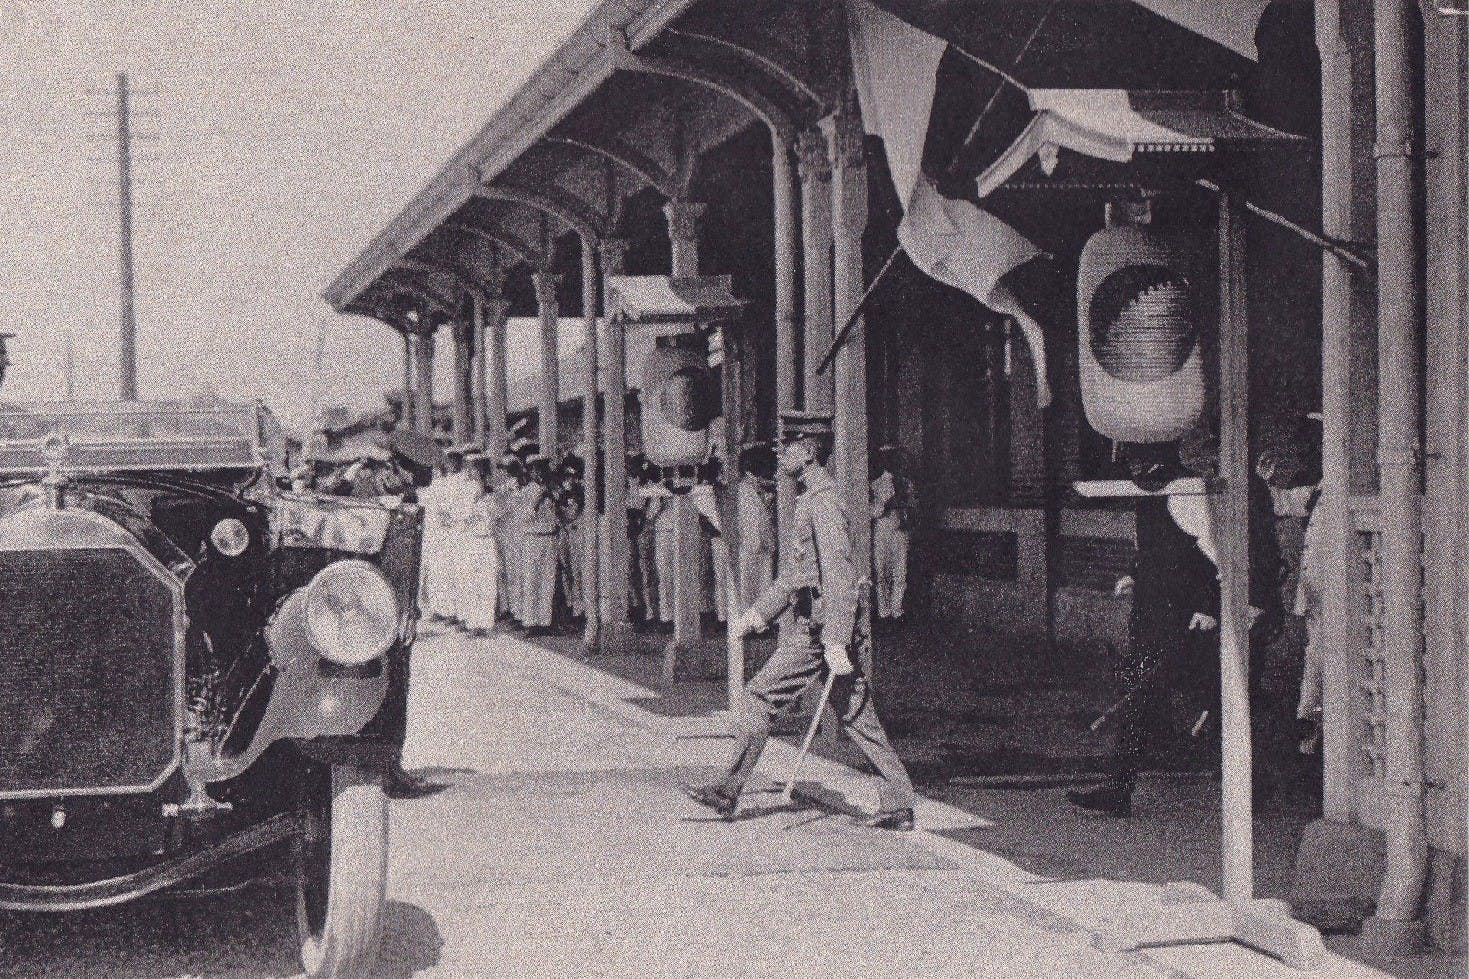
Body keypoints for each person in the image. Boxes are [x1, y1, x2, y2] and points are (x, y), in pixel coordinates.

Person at [684, 411, 916, 830]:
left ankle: (727, 788)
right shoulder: (808, 499)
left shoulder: (823, 501)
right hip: (817, 624)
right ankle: (898, 800)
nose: (780, 452)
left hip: (820, 630)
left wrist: (836, 640)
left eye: (788, 445)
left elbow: (840, 574)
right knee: (856, 714)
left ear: (808, 452)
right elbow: (795, 574)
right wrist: (757, 614)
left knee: (758, 698)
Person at [1069, 456, 1221, 818]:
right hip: (1152, 616)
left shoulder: (1187, 491)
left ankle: (1255, 777)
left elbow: (1214, 554)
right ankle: (1119, 789)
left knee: (1216, 695)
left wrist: (1209, 606)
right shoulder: (1146, 496)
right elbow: (1146, 552)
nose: (1135, 472)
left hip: (1186, 620)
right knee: (1140, 697)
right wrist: (1132, 575)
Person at [870, 444, 916, 621]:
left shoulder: (906, 484)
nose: (890, 461)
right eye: (886, 458)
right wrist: (887, 504)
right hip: (882, 530)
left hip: (900, 531)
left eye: (893, 457)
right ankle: (884, 611)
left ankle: (897, 610)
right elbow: (872, 512)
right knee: (881, 571)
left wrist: (906, 508)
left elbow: (913, 508)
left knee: (900, 571)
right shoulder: (875, 484)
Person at [458, 452, 501, 635]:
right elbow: (461, 515)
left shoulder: (491, 493)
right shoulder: (466, 490)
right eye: (469, 467)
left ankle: (484, 624)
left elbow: (497, 516)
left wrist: (482, 506)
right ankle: (473, 622)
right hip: (471, 539)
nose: (471, 471)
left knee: (487, 583)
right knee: (471, 581)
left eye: (475, 467)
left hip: (486, 540)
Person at [518, 453, 560, 633]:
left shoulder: (552, 490)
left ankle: (545, 622)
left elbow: (558, 513)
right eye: (536, 469)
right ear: (531, 472)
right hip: (532, 538)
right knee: (531, 580)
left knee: (548, 580)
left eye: (542, 468)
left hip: (549, 537)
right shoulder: (526, 492)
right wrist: (538, 499)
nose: (540, 473)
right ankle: (530, 622)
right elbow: (523, 518)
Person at [735, 444, 777, 613]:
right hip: (751, 546)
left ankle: (760, 621)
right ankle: (751, 622)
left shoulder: (755, 489)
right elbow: (753, 522)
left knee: (763, 586)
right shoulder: (743, 491)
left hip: (761, 545)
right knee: (750, 587)